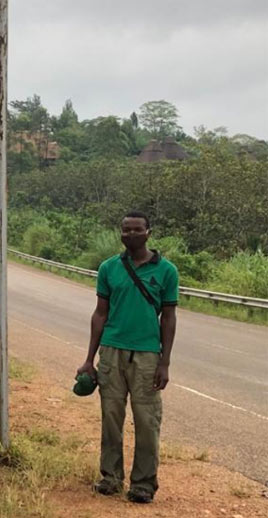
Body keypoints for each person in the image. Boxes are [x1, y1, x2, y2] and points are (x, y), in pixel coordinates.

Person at [76, 211, 178, 504]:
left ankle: (144, 484)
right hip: (111, 351)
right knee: (110, 417)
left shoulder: (167, 271)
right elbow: (100, 314)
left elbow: (169, 318)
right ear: (120, 233)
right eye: (125, 230)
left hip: (147, 355)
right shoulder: (109, 268)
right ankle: (110, 478)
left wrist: (165, 361)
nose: (130, 235)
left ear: (149, 232)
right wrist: (89, 359)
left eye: (136, 230)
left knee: (147, 420)